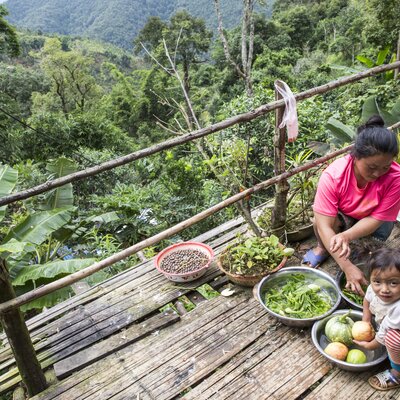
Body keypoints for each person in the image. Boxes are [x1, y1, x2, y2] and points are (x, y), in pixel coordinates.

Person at [302, 115, 400, 295]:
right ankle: (322, 248)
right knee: (320, 224)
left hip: (375, 220)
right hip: (346, 215)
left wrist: (346, 236)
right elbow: (324, 226)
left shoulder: (395, 177)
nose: (378, 173)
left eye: (385, 167)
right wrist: (346, 267)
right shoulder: (334, 176)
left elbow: (377, 219)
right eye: (371, 167)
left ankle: (349, 244)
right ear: (356, 156)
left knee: (370, 255)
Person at [353, 248, 400, 391]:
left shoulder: (398, 307)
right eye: (377, 281)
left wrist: (371, 345)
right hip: (389, 326)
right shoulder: (373, 289)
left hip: (393, 331)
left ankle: (397, 374)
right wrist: (365, 321)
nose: (384, 289)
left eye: (393, 283)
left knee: (393, 338)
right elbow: (367, 302)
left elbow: (385, 333)